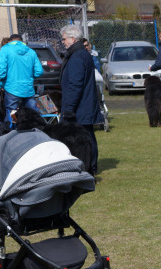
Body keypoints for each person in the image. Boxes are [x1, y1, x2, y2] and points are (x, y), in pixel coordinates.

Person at [59, 24, 101, 175]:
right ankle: (91, 167)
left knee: (84, 139)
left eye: (64, 39)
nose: (62, 42)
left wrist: (69, 108)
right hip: (84, 105)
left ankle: (89, 167)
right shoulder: (81, 54)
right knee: (88, 137)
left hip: (80, 107)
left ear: (72, 38)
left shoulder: (77, 56)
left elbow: (75, 85)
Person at [0, 33, 43, 121]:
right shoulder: (31, 51)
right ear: (22, 41)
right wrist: (30, 77)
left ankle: (13, 132)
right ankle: (34, 133)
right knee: (32, 116)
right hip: (28, 89)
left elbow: (1, 71)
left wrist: (0, 84)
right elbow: (39, 71)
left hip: (11, 89)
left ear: (9, 41)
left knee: (12, 116)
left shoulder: (5, 49)